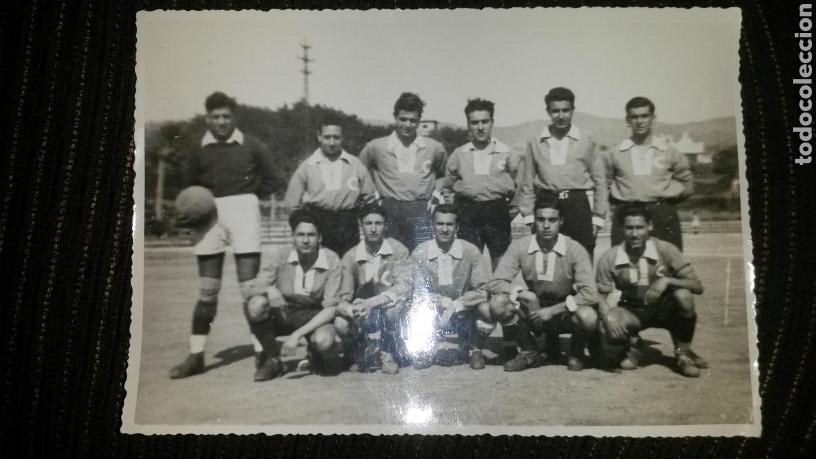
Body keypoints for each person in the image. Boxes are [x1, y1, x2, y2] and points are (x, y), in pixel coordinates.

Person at [170, 92, 281, 379]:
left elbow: (274, 179)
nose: (221, 122)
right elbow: (187, 188)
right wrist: (195, 208)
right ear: (207, 118)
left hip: (243, 212)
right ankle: (196, 356)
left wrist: (248, 195)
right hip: (209, 217)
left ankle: (264, 355)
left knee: (250, 290)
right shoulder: (197, 149)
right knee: (208, 290)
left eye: (226, 116)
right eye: (216, 117)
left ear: (234, 117)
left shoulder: (252, 145)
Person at [486, 198, 598, 372]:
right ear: (534, 220)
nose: (546, 226)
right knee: (498, 303)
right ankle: (529, 351)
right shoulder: (520, 246)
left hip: (563, 310)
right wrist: (523, 294)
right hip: (533, 308)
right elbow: (495, 283)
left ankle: (576, 351)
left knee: (588, 316)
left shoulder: (574, 248)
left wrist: (553, 310)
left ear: (561, 221)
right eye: (541, 219)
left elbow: (590, 293)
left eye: (552, 220)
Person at [595, 204, 707, 377]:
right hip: (633, 310)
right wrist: (607, 317)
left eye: (640, 227)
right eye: (629, 228)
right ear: (622, 228)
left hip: (666, 309)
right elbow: (599, 296)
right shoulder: (611, 256)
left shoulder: (666, 249)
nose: (634, 234)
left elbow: (697, 286)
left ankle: (683, 353)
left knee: (684, 296)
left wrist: (667, 280)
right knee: (607, 324)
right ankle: (634, 345)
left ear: (650, 226)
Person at [243, 209, 343, 381]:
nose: (305, 240)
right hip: (285, 312)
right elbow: (250, 289)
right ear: (293, 237)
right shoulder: (281, 254)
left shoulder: (331, 259)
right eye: (300, 235)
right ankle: (273, 359)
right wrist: (269, 290)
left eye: (311, 235)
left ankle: (314, 354)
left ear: (320, 238)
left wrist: (297, 336)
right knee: (256, 305)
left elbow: (330, 308)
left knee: (324, 340)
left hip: (314, 315)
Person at [518, 87, 607, 258]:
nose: (561, 116)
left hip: (578, 205)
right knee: (546, 260)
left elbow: (600, 181)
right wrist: (529, 217)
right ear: (548, 111)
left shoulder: (587, 139)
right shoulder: (535, 141)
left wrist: (598, 217)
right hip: (546, 204)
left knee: (582, 258)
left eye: (565, 110)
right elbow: (526, 182)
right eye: (555, 111)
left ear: (573, 110)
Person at [404, 204, 491, 370]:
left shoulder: (470, 250)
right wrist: (443, 302)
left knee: (486, 308)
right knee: (414, 305)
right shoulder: (420, 252)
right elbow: (418, 291)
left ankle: (475, 349)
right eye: (440, 224)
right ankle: (426, 349)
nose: (444, 229)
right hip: (434, 307)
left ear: (457, 227)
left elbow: (483, 290)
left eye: (449, 224)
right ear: (432, 226)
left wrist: (456, 305)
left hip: (464, 309)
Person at [359, 92, 448, 251]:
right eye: (403, 119)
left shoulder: (433, 147)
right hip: (389, 209)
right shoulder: (377, 146)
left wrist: (436, 194)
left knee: (422, 255)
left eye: (413, 120)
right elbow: (359, 170)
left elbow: (444, 174)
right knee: (391, 256)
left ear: (419, 120)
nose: (407, 124)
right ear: (395, 118)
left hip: (421, 209)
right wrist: (372, 195)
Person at [439, 98, 521, 270]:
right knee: (469, 262)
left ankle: (499, 288)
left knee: (501, 261)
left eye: (485, 121)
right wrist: (457, 207)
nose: (480, 127)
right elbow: (447, 185)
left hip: (497, 211)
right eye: (475, 122)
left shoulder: (506, 152)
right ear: (468, 125)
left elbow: (518, 185)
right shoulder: (459, 154)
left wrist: (510, 211)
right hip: (468, 212)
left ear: (492, 122)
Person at [605, 96, 694, 250]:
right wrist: (621, 200)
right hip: (626, 212)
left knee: (668, 258)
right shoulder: (614, 153)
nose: (639, 121)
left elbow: (688, 186)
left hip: (662, 213)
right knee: (623, 260)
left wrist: (665, 200)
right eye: (634, 117)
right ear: (627, 119)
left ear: (653, 118)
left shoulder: (670, 152)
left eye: (644, 116)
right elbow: (603, 185)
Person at [284, 116, 379, 256]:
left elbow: (370, 198)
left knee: (348, 263)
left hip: (348, 225)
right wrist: (304, 225)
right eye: (327, 137)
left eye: (336, 137)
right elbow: (292, 203)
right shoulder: (307, 166)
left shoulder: (355, 164)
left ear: (343, 137)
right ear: (319, 136)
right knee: (320, 264)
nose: (332, 143)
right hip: (318, 223)